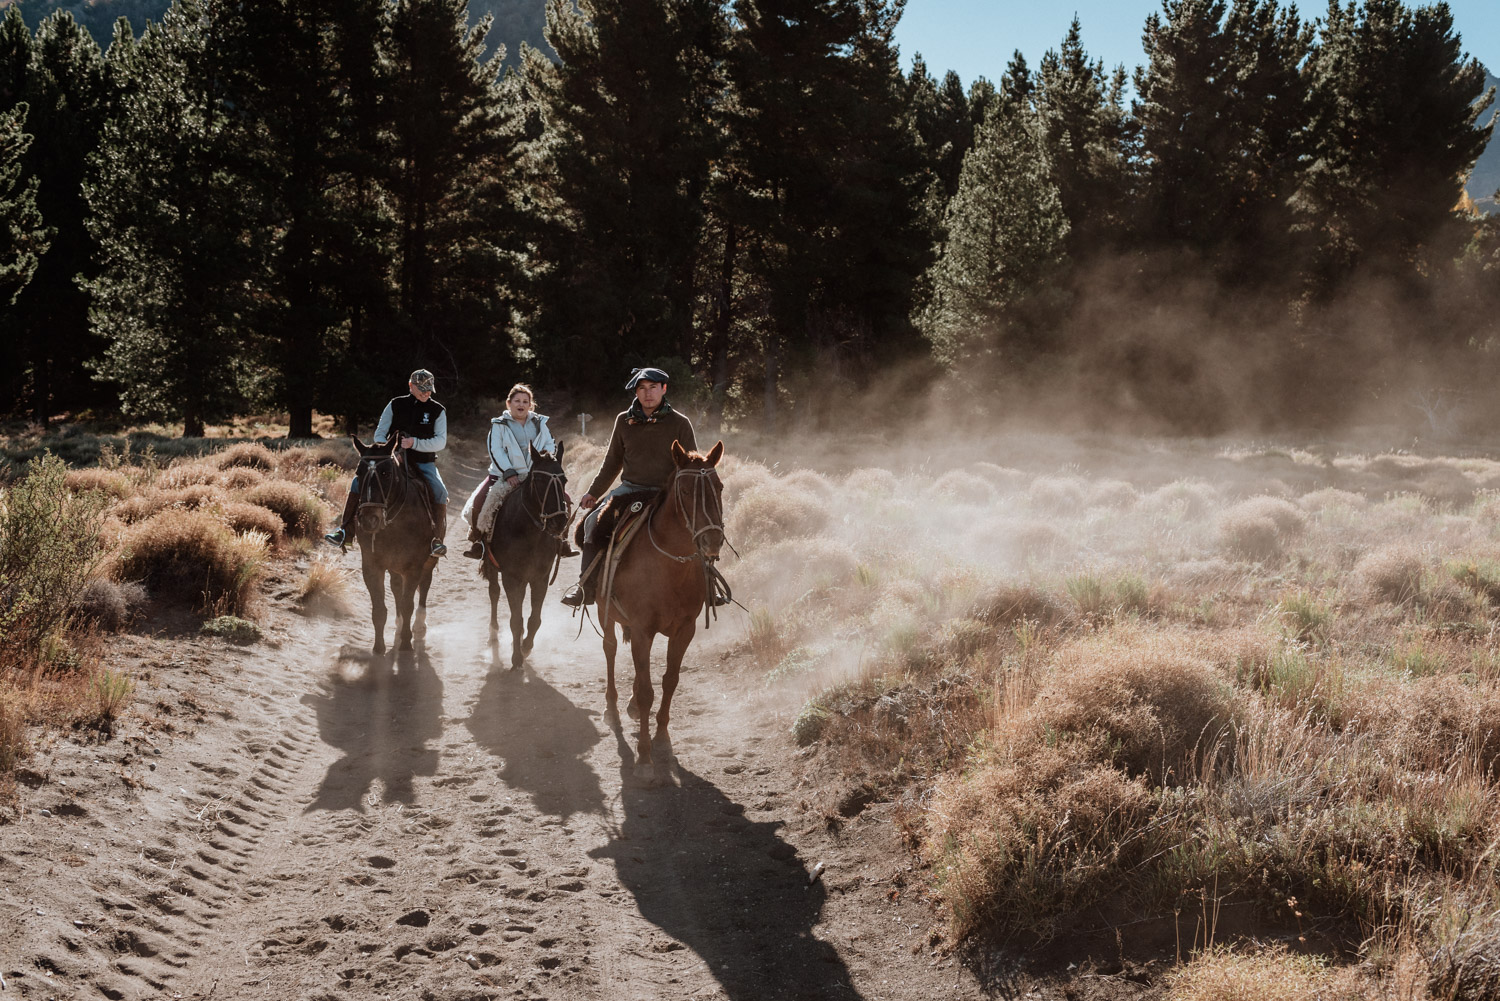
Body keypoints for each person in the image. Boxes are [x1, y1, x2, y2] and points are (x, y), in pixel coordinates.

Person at [560, 366, 698, 607]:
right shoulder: (624, 420)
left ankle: (706, 586)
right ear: (636, 391)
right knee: (592, 523)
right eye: (642, 388)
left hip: (667, 494)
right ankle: (586, 587)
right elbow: (612, 462)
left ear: (663, 389)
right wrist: (593, 492)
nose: (647, 394)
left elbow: (690, 463)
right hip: (631, 490)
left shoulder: (680, 423)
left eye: (653, 388)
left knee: (700, 524)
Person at [324, 368, 450, 557]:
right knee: (357, 482)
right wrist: (390, 452)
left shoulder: (438, 410)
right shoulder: (395, 404)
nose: (426, 393)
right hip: (391, 459)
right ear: (410, 386)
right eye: (421, 388)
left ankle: (436, 541)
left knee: (440, 491)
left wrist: (414, 443)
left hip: (424, 463)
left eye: (428, 389)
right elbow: (380, 433)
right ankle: (344, 531)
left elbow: (440, 441)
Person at [460, 383, 577, 560]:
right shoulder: (499, 425)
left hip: (535, 474)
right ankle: (479, 542)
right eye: (517, 401)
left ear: (531, 405)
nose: (521, 404)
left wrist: (545, 460)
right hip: (504, 475)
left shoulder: (539, 423)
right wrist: (509, 472)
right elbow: (496, 450)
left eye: (525, 401)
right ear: (509, 404)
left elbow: (549, 443)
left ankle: (562, 540)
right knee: (480, 501)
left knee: (565, 500)